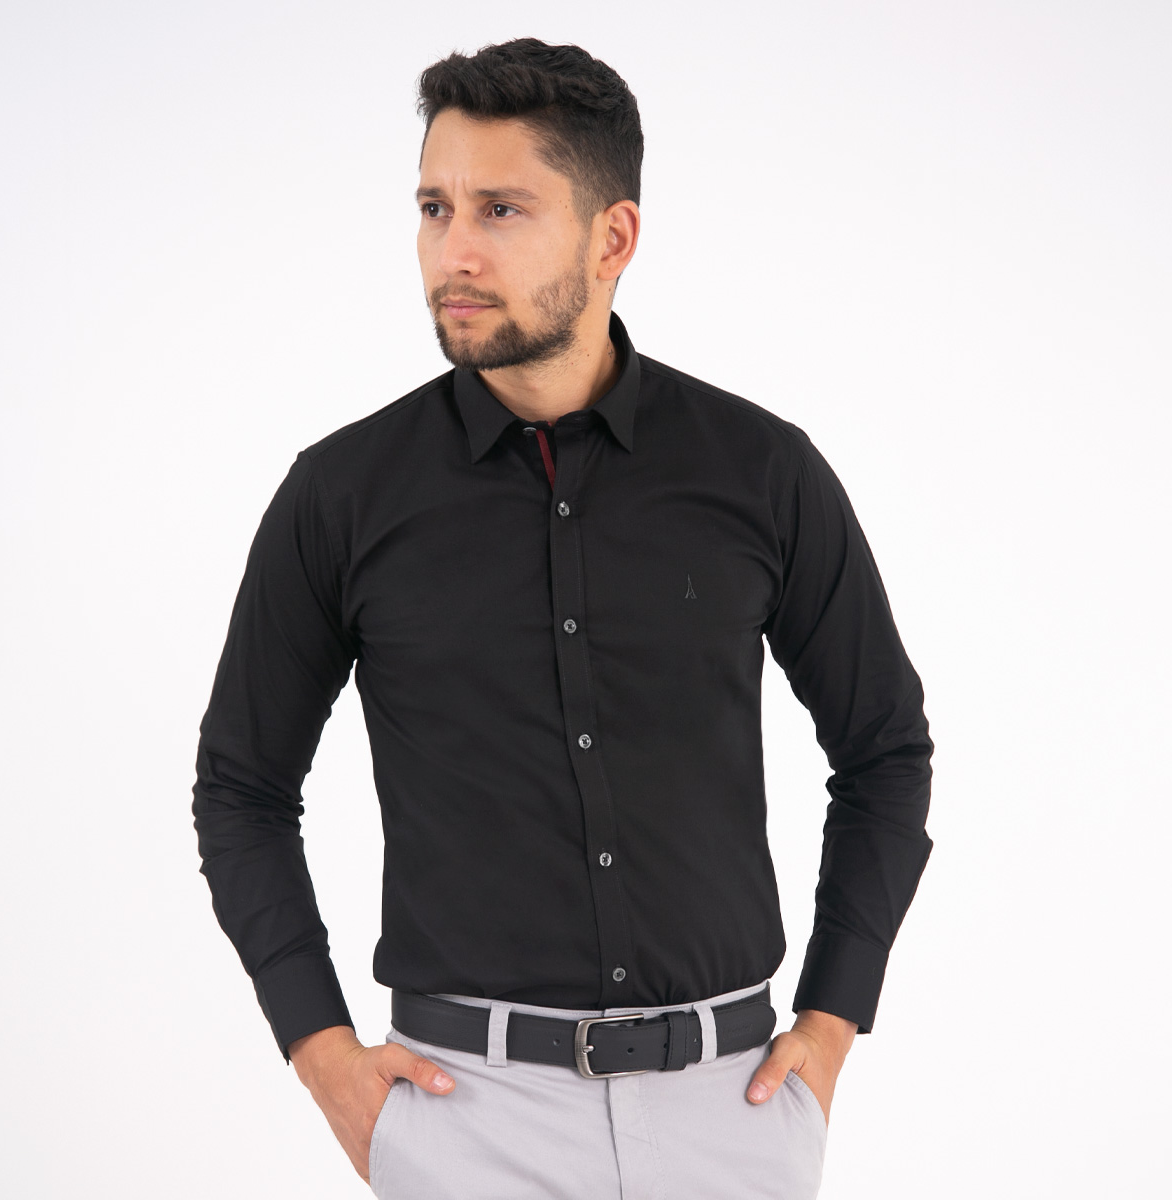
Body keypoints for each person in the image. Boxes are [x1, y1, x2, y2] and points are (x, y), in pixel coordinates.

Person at [191, 36, 934, 1200]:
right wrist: (323, 1054)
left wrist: (834, 1016)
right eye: (434, 208)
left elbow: (885, 751)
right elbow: (241, 788)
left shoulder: (761, 472)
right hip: (465, 1118)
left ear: (612, 239)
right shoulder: (341, 496)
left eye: (500, 209)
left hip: (731, 1110)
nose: (454, 250)